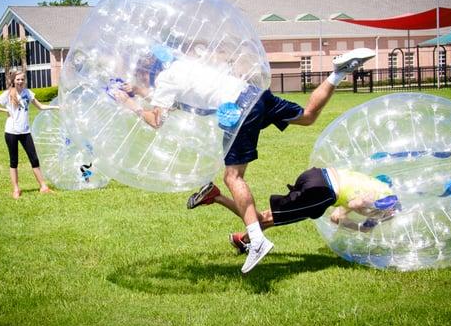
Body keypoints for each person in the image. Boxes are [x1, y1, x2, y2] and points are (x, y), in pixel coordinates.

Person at [114, 46, 376, 273]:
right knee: (307, 116)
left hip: (238, 109)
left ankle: (256, 239)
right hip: (254, 94)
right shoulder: (184, 65)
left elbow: (157, 120)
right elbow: (183, 100)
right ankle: (338, 72)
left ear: (149, 71)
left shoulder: (165, 82)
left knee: (232, 176)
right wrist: (139, 91)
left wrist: (130, 103)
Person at [189, 167, 400, 254]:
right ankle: (216, 196)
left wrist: (363, 225)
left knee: (273, 217)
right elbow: (341, 213)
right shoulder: (381, 199)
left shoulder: (373, 183)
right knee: (267, 218)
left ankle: (243, 239)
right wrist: (360, 220)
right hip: (323, 192)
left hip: (316, 175)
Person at [0, 70, 58, 199]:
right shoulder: (8, 94)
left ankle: (43, 187)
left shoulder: (28, 93)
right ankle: (16, 189)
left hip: (25, 132)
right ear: (13, 80)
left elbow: (40, 107)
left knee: (34, 159)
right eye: (18, 79)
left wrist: (57, 107)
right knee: (14, 161)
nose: (20, 81)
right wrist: (5, 110)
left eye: (22, 79)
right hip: (11, 133)